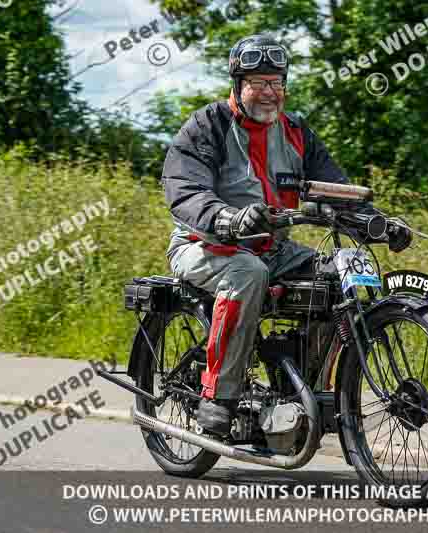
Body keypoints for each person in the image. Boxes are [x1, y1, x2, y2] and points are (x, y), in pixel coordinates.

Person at [162, 34, 412, 437]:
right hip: (204, 245)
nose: (269, 93)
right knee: (247, 274)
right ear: (237, 84)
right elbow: (184, 189)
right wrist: (228, 218)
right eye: (258, 83)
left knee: (337, 277)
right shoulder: (207, 125)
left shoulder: (296, 132)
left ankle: (298, 387)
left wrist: (377, 222)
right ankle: (218, 395)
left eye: (276, 83)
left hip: (274, 248)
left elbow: (334, 189)